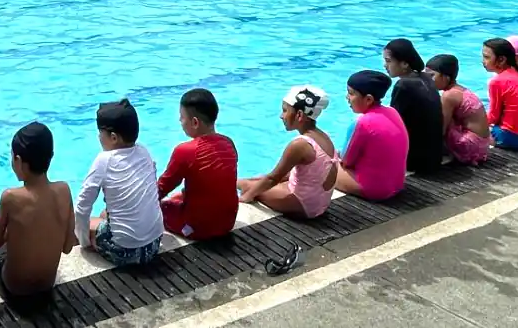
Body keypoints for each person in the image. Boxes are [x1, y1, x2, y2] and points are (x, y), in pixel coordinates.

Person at [0, 122, 76, 303]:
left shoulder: (11, 197)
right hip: (47, 285)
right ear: (51, 157)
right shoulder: (64, 190)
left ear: (19, 161)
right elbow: (68, 247)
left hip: (15, 289)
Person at [75, 98, 164, 267]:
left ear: (114, 137)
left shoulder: (104, 160)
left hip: (125, 252)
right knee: (104, 214)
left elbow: (82, 207)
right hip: (153, 245)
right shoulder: (144, 152)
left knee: (82, 223)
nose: (99, 137)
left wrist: (85, 242)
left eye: (100, 133)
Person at [236, 86, 338, 218]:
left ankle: (226, 181)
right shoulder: (324, 136)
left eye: (285, 111)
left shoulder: (300, 144)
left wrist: (247, 197)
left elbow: (273, 178)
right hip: (319, 203)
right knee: (259, 178)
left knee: (248, 185)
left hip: (305, 205)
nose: (281, 116)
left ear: (299, 115)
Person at [157, 89, 239, 240]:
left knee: (158, 208)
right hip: (228, 223)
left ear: (195, 122)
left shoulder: (185, 150)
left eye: (182, 118)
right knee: (177, 197)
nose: (180, 122)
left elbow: (160, 190)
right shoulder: (229, 143)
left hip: (197, 228)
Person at [335, 70, 408, 201]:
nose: (347, 97)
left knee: (323, 163)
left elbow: (346, 161)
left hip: (375, 190)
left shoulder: (362, 122)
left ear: (368, 99)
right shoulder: (392, 112)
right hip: (397, 184)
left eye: (351, 93)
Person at [382, 38, 443, 174]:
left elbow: (393, 126)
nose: (385, 65)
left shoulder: (403, 85)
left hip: (414, 161)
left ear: (404, 63)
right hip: (434, 157)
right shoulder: (427, 78)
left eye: (388, 61)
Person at [426, 54, 490, 165]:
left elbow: (441, 130)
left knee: (434, 120)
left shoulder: (448, 96)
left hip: (470, 148)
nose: (427, 79)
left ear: (446, 77)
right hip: (482, 145)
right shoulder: (460, 89)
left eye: (431, 76)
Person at [482, 38, 518, 151]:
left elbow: (493, 116)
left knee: (468, 128)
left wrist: (474, 123)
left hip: (507, 137)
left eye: (486, 57)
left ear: (501, 60)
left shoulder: (497, 82)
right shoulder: (517, 73)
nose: (482, 61)